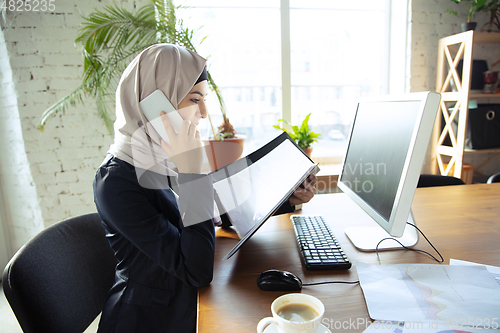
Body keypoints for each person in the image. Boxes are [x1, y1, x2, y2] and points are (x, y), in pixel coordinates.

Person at [93, 43, 317, 333]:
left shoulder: (163, 157)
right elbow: (196, 270)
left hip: (186, 303)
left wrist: (291, 198)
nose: (204, 112)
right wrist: (192, 169)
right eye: (195, 99)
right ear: (156, 103)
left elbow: (211, 211)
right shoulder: (116, 182)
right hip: (151, 319)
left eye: (205, 99)